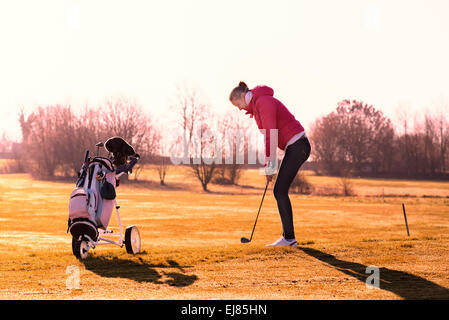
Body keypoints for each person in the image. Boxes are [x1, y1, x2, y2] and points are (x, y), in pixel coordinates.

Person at [229, 82, 311, 247]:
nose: (239, 109)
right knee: (279, 190)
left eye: (237, 105)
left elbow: (270, 136)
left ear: (242, 97)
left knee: (279, 190)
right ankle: (288, 238)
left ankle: (289, 238)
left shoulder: (263, 103)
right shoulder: (258, 105)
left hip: (297, 146)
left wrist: (270, 166)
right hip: (295, 147)